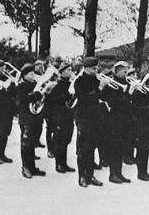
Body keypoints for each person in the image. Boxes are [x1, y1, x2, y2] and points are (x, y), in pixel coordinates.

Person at [16, 63, 56, 178]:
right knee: (26, 143)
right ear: (24, 75)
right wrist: (38, 94)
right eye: (30, 74)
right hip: (26, 118)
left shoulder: (34, 84)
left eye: (33, 73)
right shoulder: (21, 86)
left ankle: (32, 167)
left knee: (33, 143)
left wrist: (45, 92)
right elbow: (23, 100)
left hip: (36, 117)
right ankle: (25, 168)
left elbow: (41, 98)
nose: (33, 76)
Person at [73, 57, 107, 187]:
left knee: (92, 147)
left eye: (97, 67)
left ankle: (90, 175)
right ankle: (82, 177)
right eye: (94, 68)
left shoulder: (96, 79)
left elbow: (102, 98)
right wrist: (100, 87)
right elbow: (85, 99)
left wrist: (104, 88)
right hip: (83, 117)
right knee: (83, 148)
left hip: (95, 117)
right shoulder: (80, 81)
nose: (96, 70)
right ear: (86, 68)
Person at [101, 61, 135, 184]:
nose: (126, 74)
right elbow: (115, 102)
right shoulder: (111, 84)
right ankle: (112, 174)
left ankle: (119, 173)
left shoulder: (125, 82)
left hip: (126, 118)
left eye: (127, 71)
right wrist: (129, 92)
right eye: (124, 72)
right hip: (115, 118)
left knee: (122, 147)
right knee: (115, 147)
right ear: (117, 71)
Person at [131, 74, 149, 181]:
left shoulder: (148, 94)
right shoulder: (138, 94)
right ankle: (141, 173)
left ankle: (144, 171)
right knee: (141, 148)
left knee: (147, 148)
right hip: (141, 125)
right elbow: (140, 110)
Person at [47, 62, 75, 173]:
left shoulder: (70, 84)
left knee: (67, 139)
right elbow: (54, 100)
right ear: (62, 72)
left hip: (69, 115)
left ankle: (64, 163)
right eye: (68, 70)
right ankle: (59, 164)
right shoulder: (57, 85)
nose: (70, 72)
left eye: (70, 70)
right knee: (60, 141)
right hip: (60, 115)